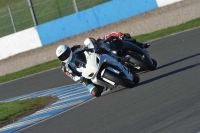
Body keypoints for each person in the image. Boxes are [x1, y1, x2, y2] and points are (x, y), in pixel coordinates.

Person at [56, 42, 129, 97]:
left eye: (65, 54)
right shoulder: (64, 67)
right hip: (84, 75)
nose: (65, 57)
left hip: (91, 61)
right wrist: (80, 78)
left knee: (102, 51)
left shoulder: (75, 48)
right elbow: (73, 76)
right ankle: (102, 86)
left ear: (69, 50)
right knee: (95, 93)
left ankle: (119, 59)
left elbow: (86, 47)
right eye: (62, 57)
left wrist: (93, 48)